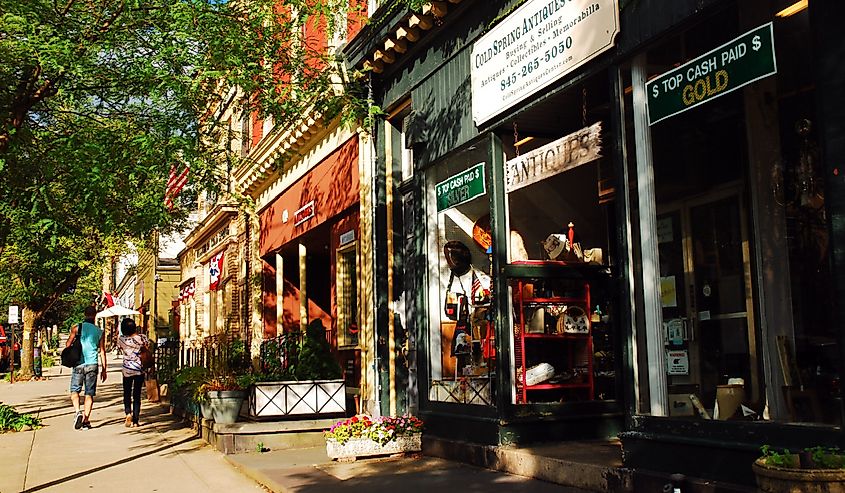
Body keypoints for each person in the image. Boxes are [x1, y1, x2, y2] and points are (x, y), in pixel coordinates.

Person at [67, 305, 107, 430]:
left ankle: (78, 411)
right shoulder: (99, 331)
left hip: (78, 363)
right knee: (89, 394)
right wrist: (104, 369)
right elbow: (102, 351)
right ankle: (86, 420)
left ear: (84, 314)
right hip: (92, 364)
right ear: (95, 315)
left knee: (75, 391)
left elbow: (68, 344)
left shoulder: (76, 328)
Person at [116, 318, 148, 427]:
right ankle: (135, 420)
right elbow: (147, 348)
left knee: (127, 393)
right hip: (139, 369)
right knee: (137, 395)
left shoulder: (121, 339)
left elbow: (120, 348)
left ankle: (128, 413)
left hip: (127, 369)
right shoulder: (142, 338)